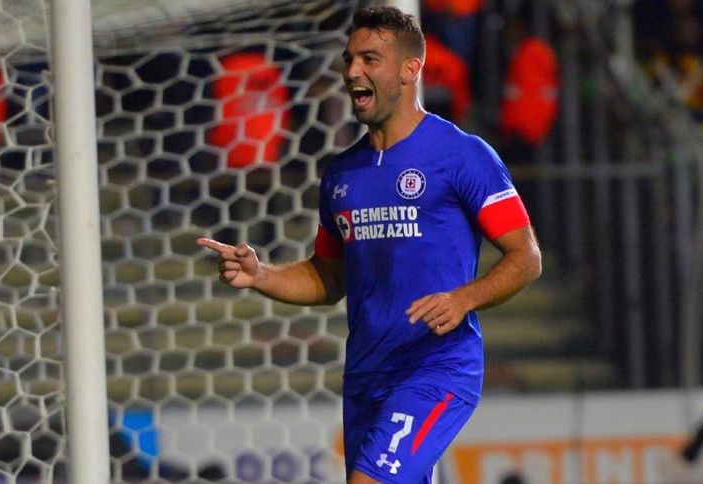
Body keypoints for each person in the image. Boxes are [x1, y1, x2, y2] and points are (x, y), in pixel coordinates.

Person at [197, 6, 541, 483]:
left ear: (409, 69)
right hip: (366, 374)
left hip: (434, 368)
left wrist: (464, 298)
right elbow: (328, 277)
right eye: (349, 59)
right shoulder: (343, 174)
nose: (352, 71)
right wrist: (262, 275)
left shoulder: (462, 155)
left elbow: (526, 257)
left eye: (370, 59)